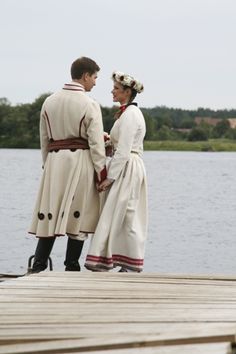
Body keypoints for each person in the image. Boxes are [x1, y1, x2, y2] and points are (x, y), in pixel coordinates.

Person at [28, 56, 107, 273]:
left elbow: (44, 140)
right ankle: (71, 266)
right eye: (94, 77)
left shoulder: (49, 101)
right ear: (85, 76)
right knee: (78, 215)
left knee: (49, 214)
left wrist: (48, 165)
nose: (95, 82)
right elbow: (96, 144)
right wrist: (102, 174)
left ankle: (38, 265)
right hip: (79, 162)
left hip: (54, 163)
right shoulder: (90, 104)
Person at [85, 71, 148, 272]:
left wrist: (109, 178)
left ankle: (129, 262)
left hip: (127, 167)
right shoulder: (127, 113)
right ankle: (118, 260)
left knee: (127, 212)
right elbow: (120, 144)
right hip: (125, 164)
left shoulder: (131, 114)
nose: (112, 91)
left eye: (116, 89)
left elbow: (124, 148)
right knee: (119, 212)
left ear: (127, 92)